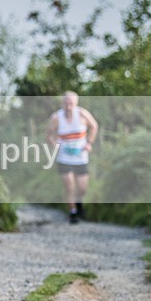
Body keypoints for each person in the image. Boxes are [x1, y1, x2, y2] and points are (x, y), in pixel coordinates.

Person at [46, 91, 98, 224]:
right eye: (66, 104)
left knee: (82, 188)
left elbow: (94, 126)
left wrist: (89, 143)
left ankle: (78, 201)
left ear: (76, 103)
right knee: (69, 186)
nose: (69, 107)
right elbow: (49, 135)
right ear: (62, 103)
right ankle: (73, 212)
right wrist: (54, 145)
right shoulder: (56, 118)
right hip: (64, 157)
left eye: (71, 104)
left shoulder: (82, 114)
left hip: (80, 156)